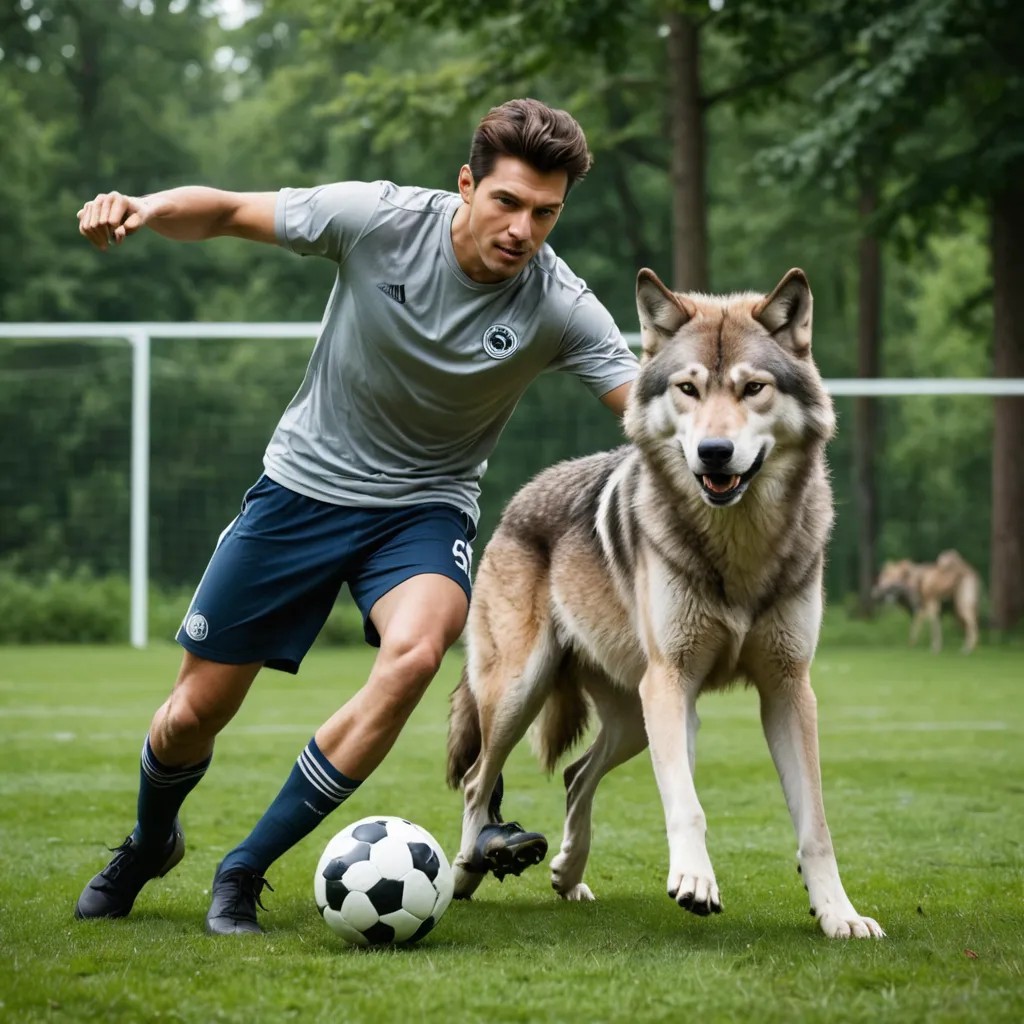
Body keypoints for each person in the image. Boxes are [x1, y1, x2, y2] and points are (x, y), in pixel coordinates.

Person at [73, 97, 639, 935]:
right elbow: (229, 210)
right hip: (300, 489)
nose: (524, 229)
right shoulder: (378, 220)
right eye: (507, 202)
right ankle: (151, 841)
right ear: (466, 186)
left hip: (423, 508)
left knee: (415, 654)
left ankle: (244, 868)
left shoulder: (559, 305)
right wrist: (145, 209)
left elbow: (648, 414)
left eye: (546, 212)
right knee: (192, 715)